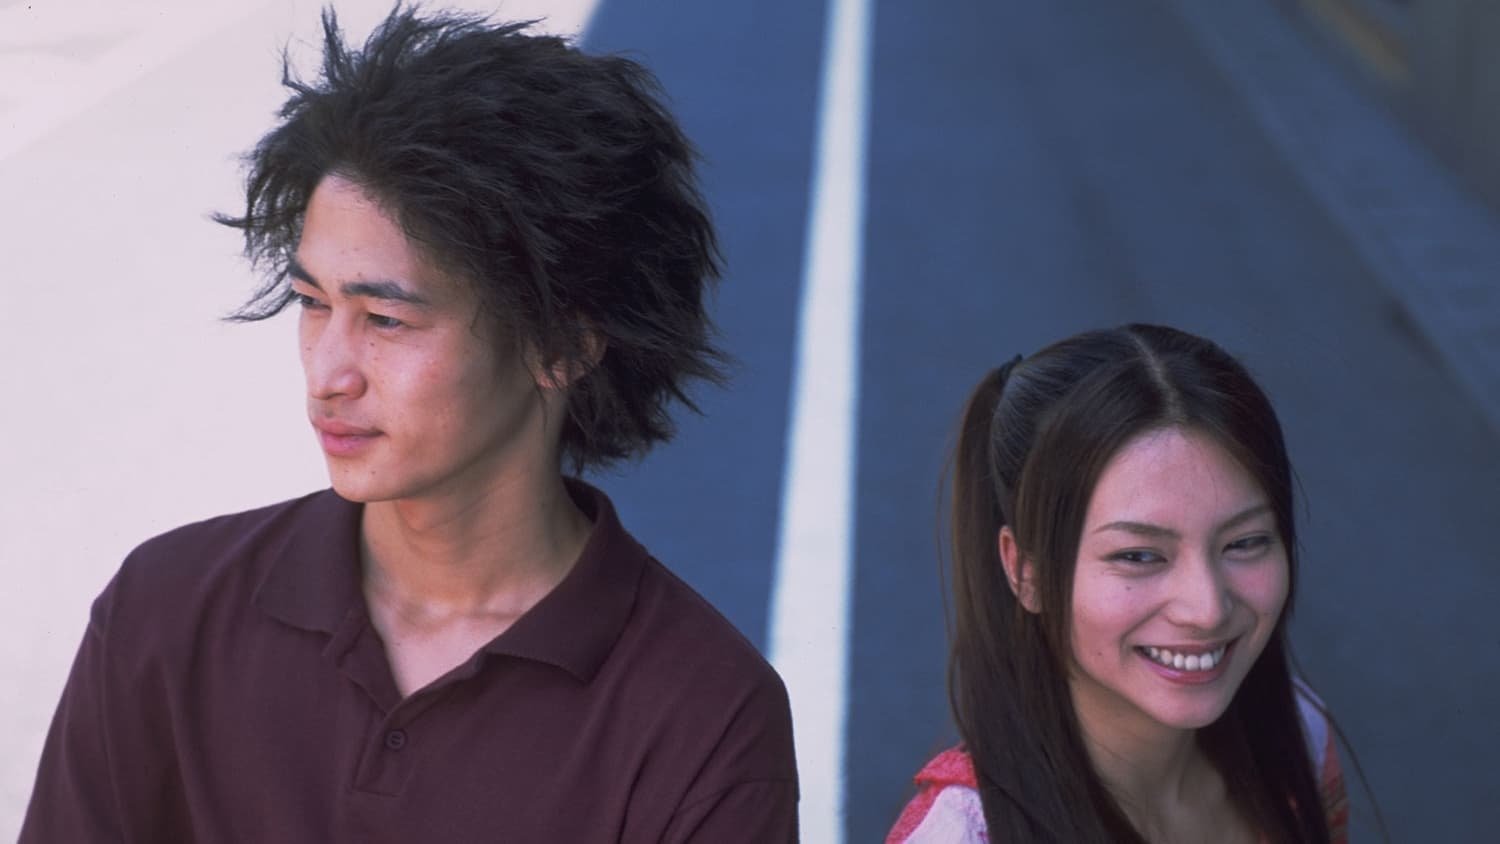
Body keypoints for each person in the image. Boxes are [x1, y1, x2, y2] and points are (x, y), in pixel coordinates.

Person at [21, 5, 797, 842]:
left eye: (386, 321)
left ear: (562, 346)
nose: (329, 374)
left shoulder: (705, 714)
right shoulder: (165, 611)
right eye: (313, 303)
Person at [887, 324, 1349, 843]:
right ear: (1024, 571)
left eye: (1244, 543)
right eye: (1138, 555)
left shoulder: (1301, 740)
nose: (1207, 609)